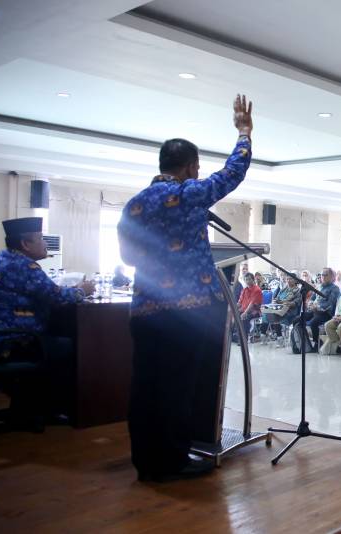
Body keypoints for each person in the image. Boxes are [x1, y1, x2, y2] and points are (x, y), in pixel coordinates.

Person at [117, 94, 253, 482]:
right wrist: (244, 133)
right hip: (185, 312)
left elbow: (128, 258)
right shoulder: (187, 194)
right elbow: (233, 172)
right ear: (191, 167)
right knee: (176, 388)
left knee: (145, 387)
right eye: (197, 166)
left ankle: (146, 461)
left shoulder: (134, 205)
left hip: (145, 311)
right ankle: (173, 461)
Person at [0, 217, 95, 425]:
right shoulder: (25, 266)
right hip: (13, 339)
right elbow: (56, 296)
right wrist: (83, 290)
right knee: (68, 346)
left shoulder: (3, 257)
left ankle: (26, 405)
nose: (45, 243)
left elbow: (45, 291)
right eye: (41, 238)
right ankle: (51, 410)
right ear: (25, 244)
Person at [303, 267, 340, 352]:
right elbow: (312, 298)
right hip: (314, 311)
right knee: (298, 319)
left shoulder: (335, 288)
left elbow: (330, 303)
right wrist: (310, 304)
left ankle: (317, 343)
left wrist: (317, 307)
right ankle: (305, 343)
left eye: (325, 275)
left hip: (326, 313)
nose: (322, 277)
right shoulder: (319, 287)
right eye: (321, 275)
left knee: (313, 323)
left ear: (332, 276)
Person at [236, 272, 262, 343]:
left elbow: (252, 304)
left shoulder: (257, 290)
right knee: (233, 316)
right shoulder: (244, 290)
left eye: (249, 279)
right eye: (246, 279)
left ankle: (244, 339)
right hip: (244, 310)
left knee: (244, 317)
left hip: (254, 311)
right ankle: (237, 336)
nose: (248, 281)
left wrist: (245, 313)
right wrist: (232, 308)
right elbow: (239, 302)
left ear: (253, 279)